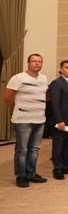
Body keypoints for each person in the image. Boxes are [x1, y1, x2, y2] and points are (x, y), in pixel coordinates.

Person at [3, 54, 48, 187]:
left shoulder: (44, 78)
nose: (37, 63)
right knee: (22, 150)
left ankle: (31, 173)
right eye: (34, 61)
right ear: (28, 63)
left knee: (34, 149)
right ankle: (21, 176)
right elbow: (7, 97)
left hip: (40, 119)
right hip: (23, 120)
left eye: (40, 61)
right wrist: (19, 109)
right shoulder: (18, 78)